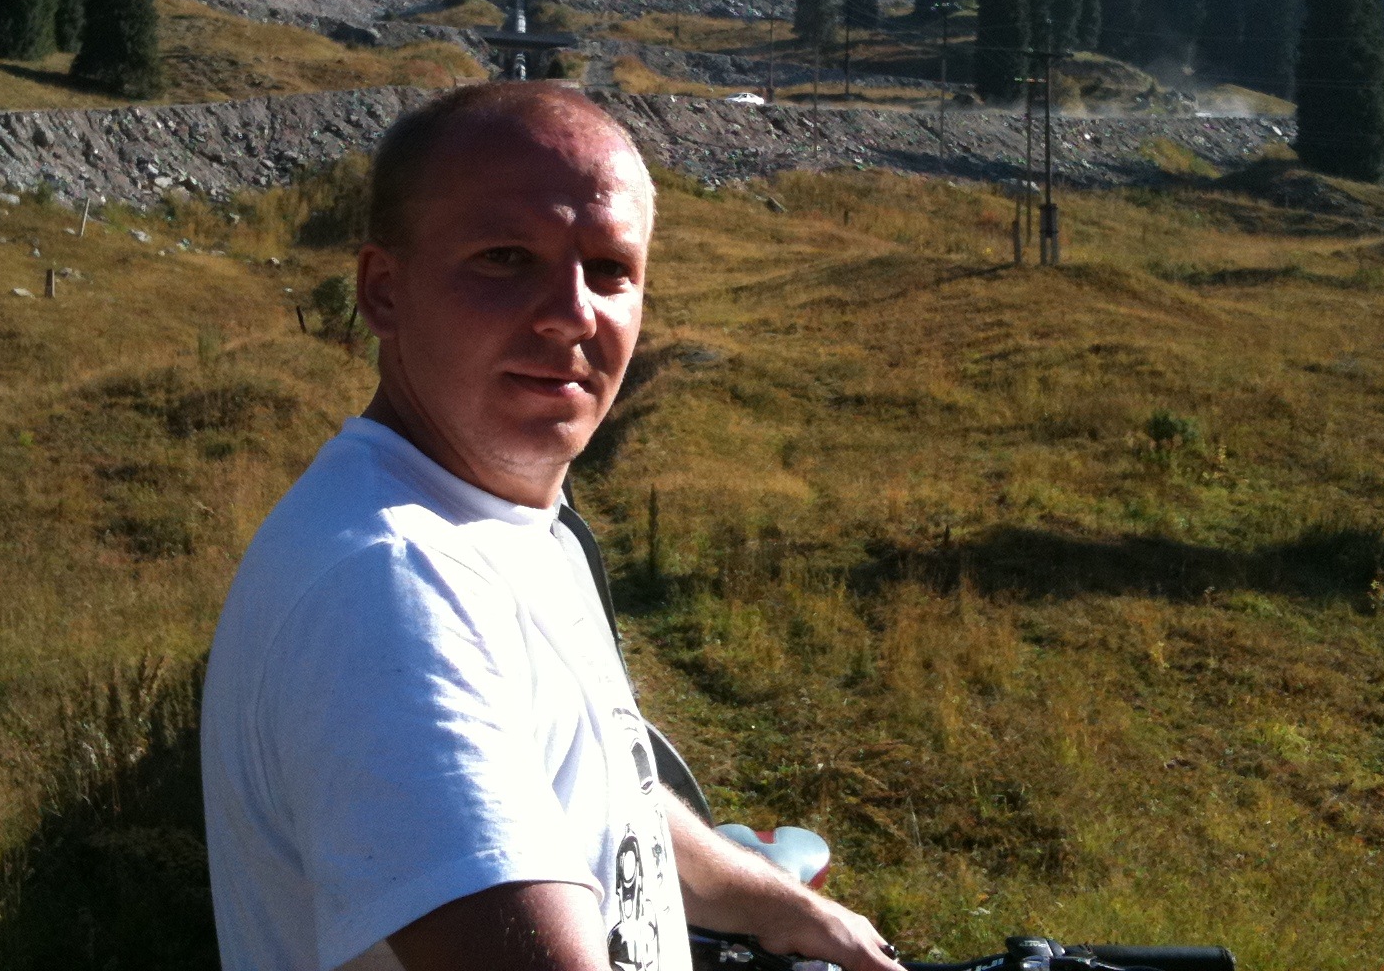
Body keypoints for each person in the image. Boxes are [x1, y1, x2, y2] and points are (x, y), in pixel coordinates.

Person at [202, 82, 902, 971]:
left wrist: (775, 902)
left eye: (609, 269)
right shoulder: (396, 591)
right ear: (384, 291)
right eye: (505, 258)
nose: (573, 312)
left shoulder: (513, 526)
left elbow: (585, 791)